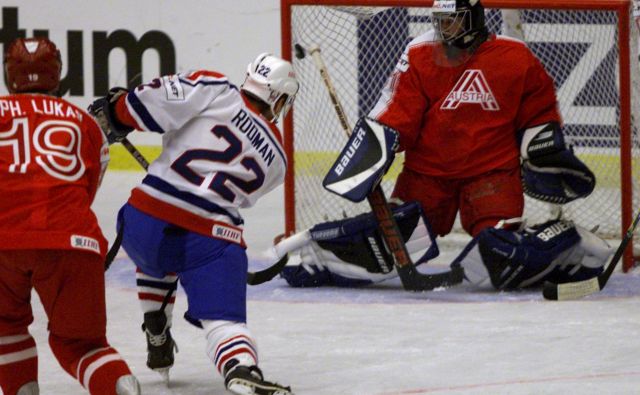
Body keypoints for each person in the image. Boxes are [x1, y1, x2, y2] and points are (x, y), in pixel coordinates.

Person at [280, 0, 606, 291]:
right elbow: (397, 109)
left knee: (501, 252)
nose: (444, 29)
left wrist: (542, 144)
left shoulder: (515, 57)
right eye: (440, 20)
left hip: (491, 177)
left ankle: (571, 247)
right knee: (393, 240)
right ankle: (316, 257)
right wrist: (377, 144)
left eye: (453, 20)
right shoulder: (420, 53)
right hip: (428, 176)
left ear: (475, 17)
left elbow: (539, 107)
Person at [89, 53, 298, 395]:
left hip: (141, 220)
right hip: (209, 239)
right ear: (279, 95)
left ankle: (155, 322)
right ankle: (240, 367)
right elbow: (229, 195)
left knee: (160, 250)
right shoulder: (278, 159)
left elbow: (148, 103)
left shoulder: (215, 87)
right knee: (223, 320)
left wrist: (117, 113)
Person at [0, 38, 140, 395]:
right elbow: (84, 193)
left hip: (3, 241)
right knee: (83, 347)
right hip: (74, 240)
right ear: (57, 72)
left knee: (5, 329)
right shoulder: (88, 125)